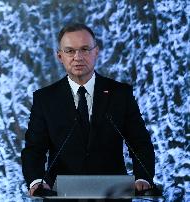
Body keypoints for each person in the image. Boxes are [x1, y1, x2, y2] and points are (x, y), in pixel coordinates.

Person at [21, 23, 155, 198]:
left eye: (85, 49)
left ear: (96, 52)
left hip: (113, 194)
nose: (78, 57)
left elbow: (140, 142)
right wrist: (37, 181)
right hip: (61, 195)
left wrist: (143, 178)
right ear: (59, 56)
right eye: (70, 51)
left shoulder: (120, 94)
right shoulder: (45, 99)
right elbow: (34, 149)